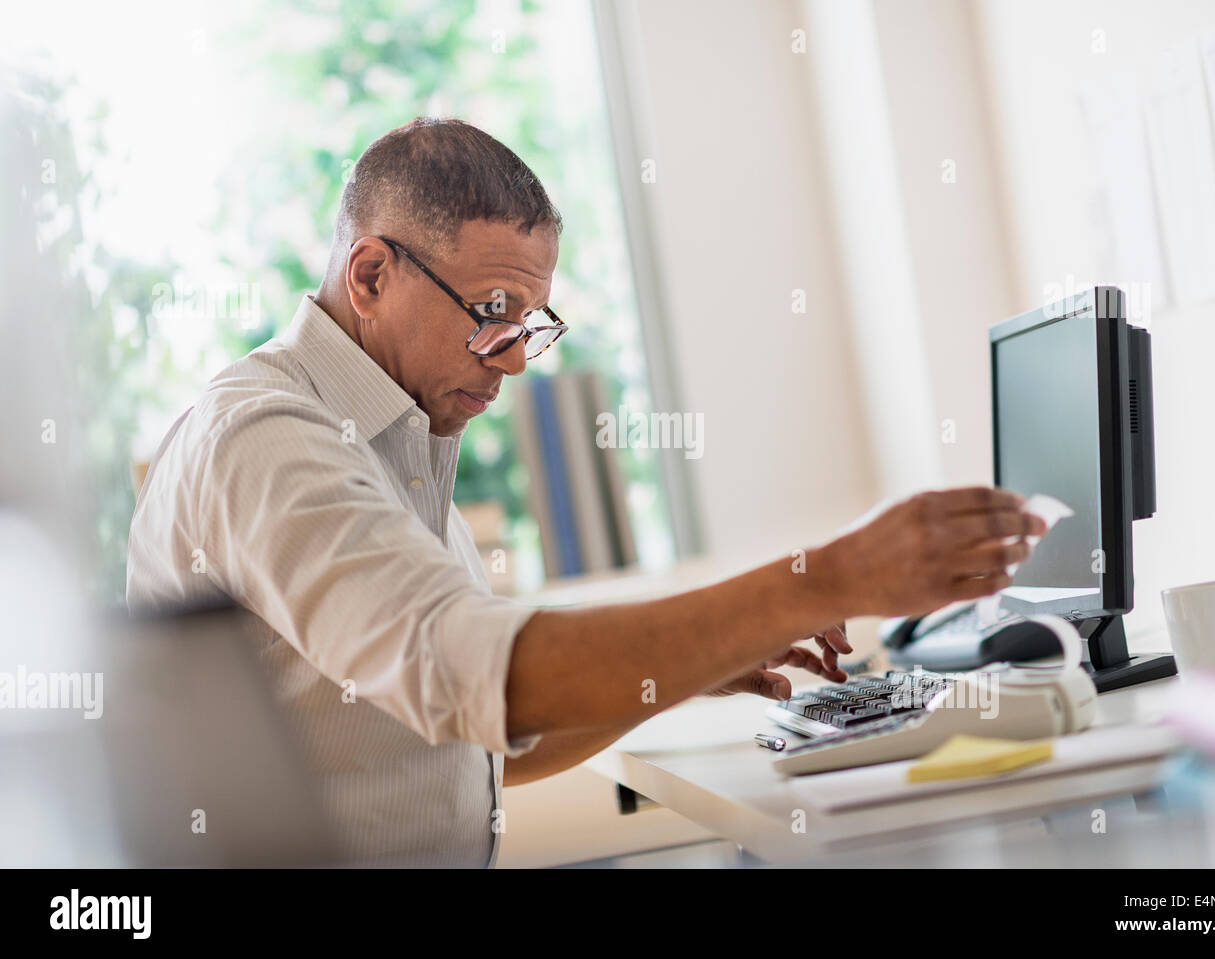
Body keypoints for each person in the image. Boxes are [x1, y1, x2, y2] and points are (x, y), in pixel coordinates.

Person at [127, 118, 1044, 866]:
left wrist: (687, 666)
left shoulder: (396, 433)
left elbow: (489, 743)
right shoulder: (267, 437)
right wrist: (827, 577)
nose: (518, 358)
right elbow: (481, 672)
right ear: (370, 274)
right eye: (492, 314)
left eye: (530, 323)